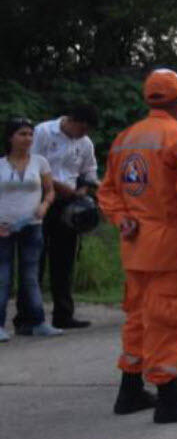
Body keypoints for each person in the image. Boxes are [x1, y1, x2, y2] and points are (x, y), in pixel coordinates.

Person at [97, 69, 177, 423]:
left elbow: (106, 191)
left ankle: (131, 389)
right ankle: (170, 399)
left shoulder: (125, 139)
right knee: (172, 319)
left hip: (135, 248)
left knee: (138, 318)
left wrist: (122, 218)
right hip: (171, 247)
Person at [32, 104, 99, 330]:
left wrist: (86, 188)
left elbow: (90, 170)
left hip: (70, 204)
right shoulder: (43, 132)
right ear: (72, 120)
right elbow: (32, 166)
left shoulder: (85, 143)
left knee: (65, 260)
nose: (84, 134)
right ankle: (30, 316)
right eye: (82, 128)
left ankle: (63, 314)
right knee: (35, 259)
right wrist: (58, 187)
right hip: (40, 199)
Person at [0, 118, 62, 340]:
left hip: (32, 225)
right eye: (22, 134)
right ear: (11, 137)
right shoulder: (1, 165)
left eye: (30, 134)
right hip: (4, 228)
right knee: (3, 277)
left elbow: (50, 190)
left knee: (30, 276)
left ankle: (37, 322)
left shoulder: (40, 162)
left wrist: (45, 205)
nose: (27, 139)